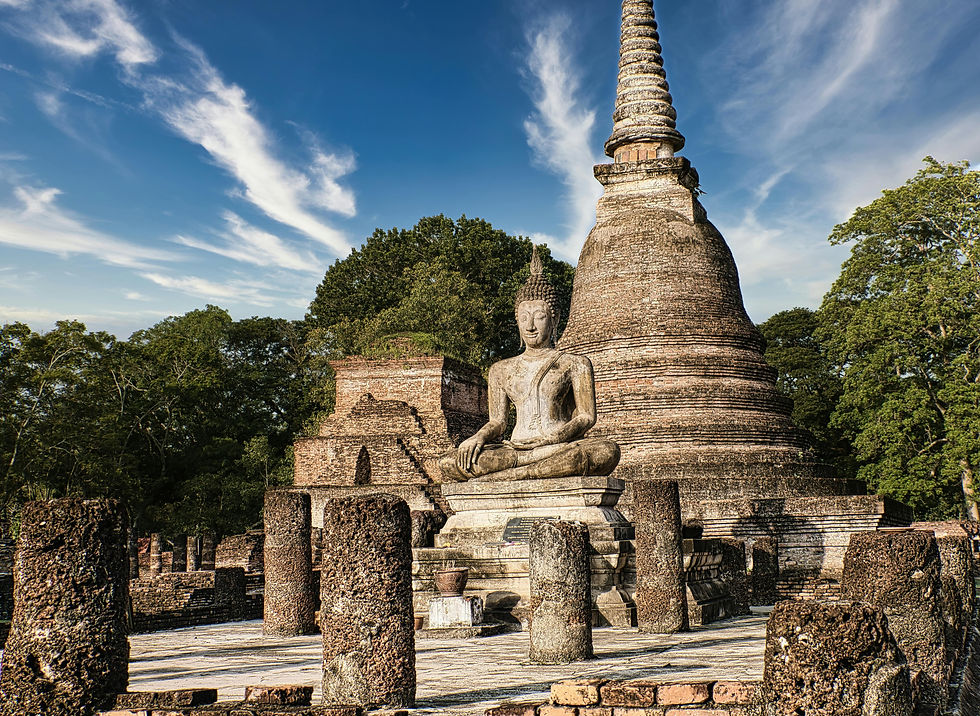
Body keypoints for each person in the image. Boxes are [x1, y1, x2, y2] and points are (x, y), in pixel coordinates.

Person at [438, 247, 620, 482]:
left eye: (539, 317)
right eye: (524, 318)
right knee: (449, 462)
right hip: (516, 450)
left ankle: (516, 475)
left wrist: (552, 439)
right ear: (517, 321)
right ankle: (528, 470)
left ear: (554, 319)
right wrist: (478, 437)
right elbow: (498, 422)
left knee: (606, 451)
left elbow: (586, 417)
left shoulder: (575, 364)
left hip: (557, 447)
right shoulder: (500, 370)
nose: (531, 326)